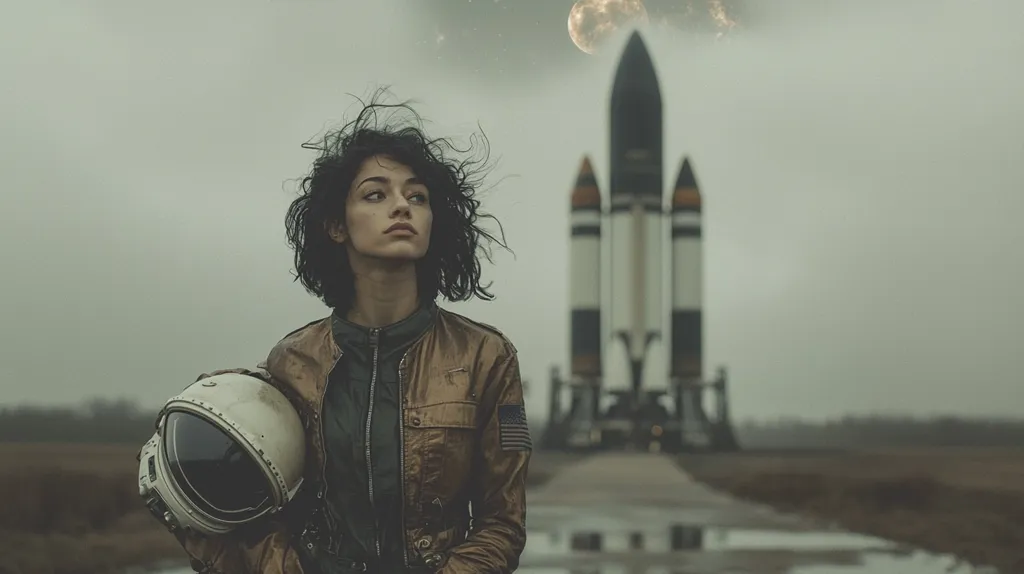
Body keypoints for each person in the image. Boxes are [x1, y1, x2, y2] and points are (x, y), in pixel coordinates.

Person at [172, 93, 532, 574]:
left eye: (417, 196)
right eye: (376, 194)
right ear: (336, 226)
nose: (402, 205)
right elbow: (267, 513)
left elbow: (503, 524)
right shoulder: (292, 361)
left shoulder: (488, 356)